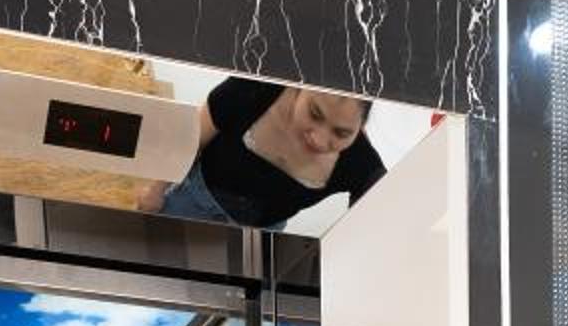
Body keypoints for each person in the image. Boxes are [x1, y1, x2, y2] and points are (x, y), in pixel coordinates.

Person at [144, 79, 387, 229]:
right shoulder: (252, 89)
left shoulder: (359, 162)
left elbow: (380, 224)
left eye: (341, 133)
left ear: (360, 128)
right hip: (192, 202)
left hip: (260, 237)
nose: (320, 140)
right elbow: (191, 139)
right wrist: (155, 190)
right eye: (314, 114)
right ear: (299, 87)